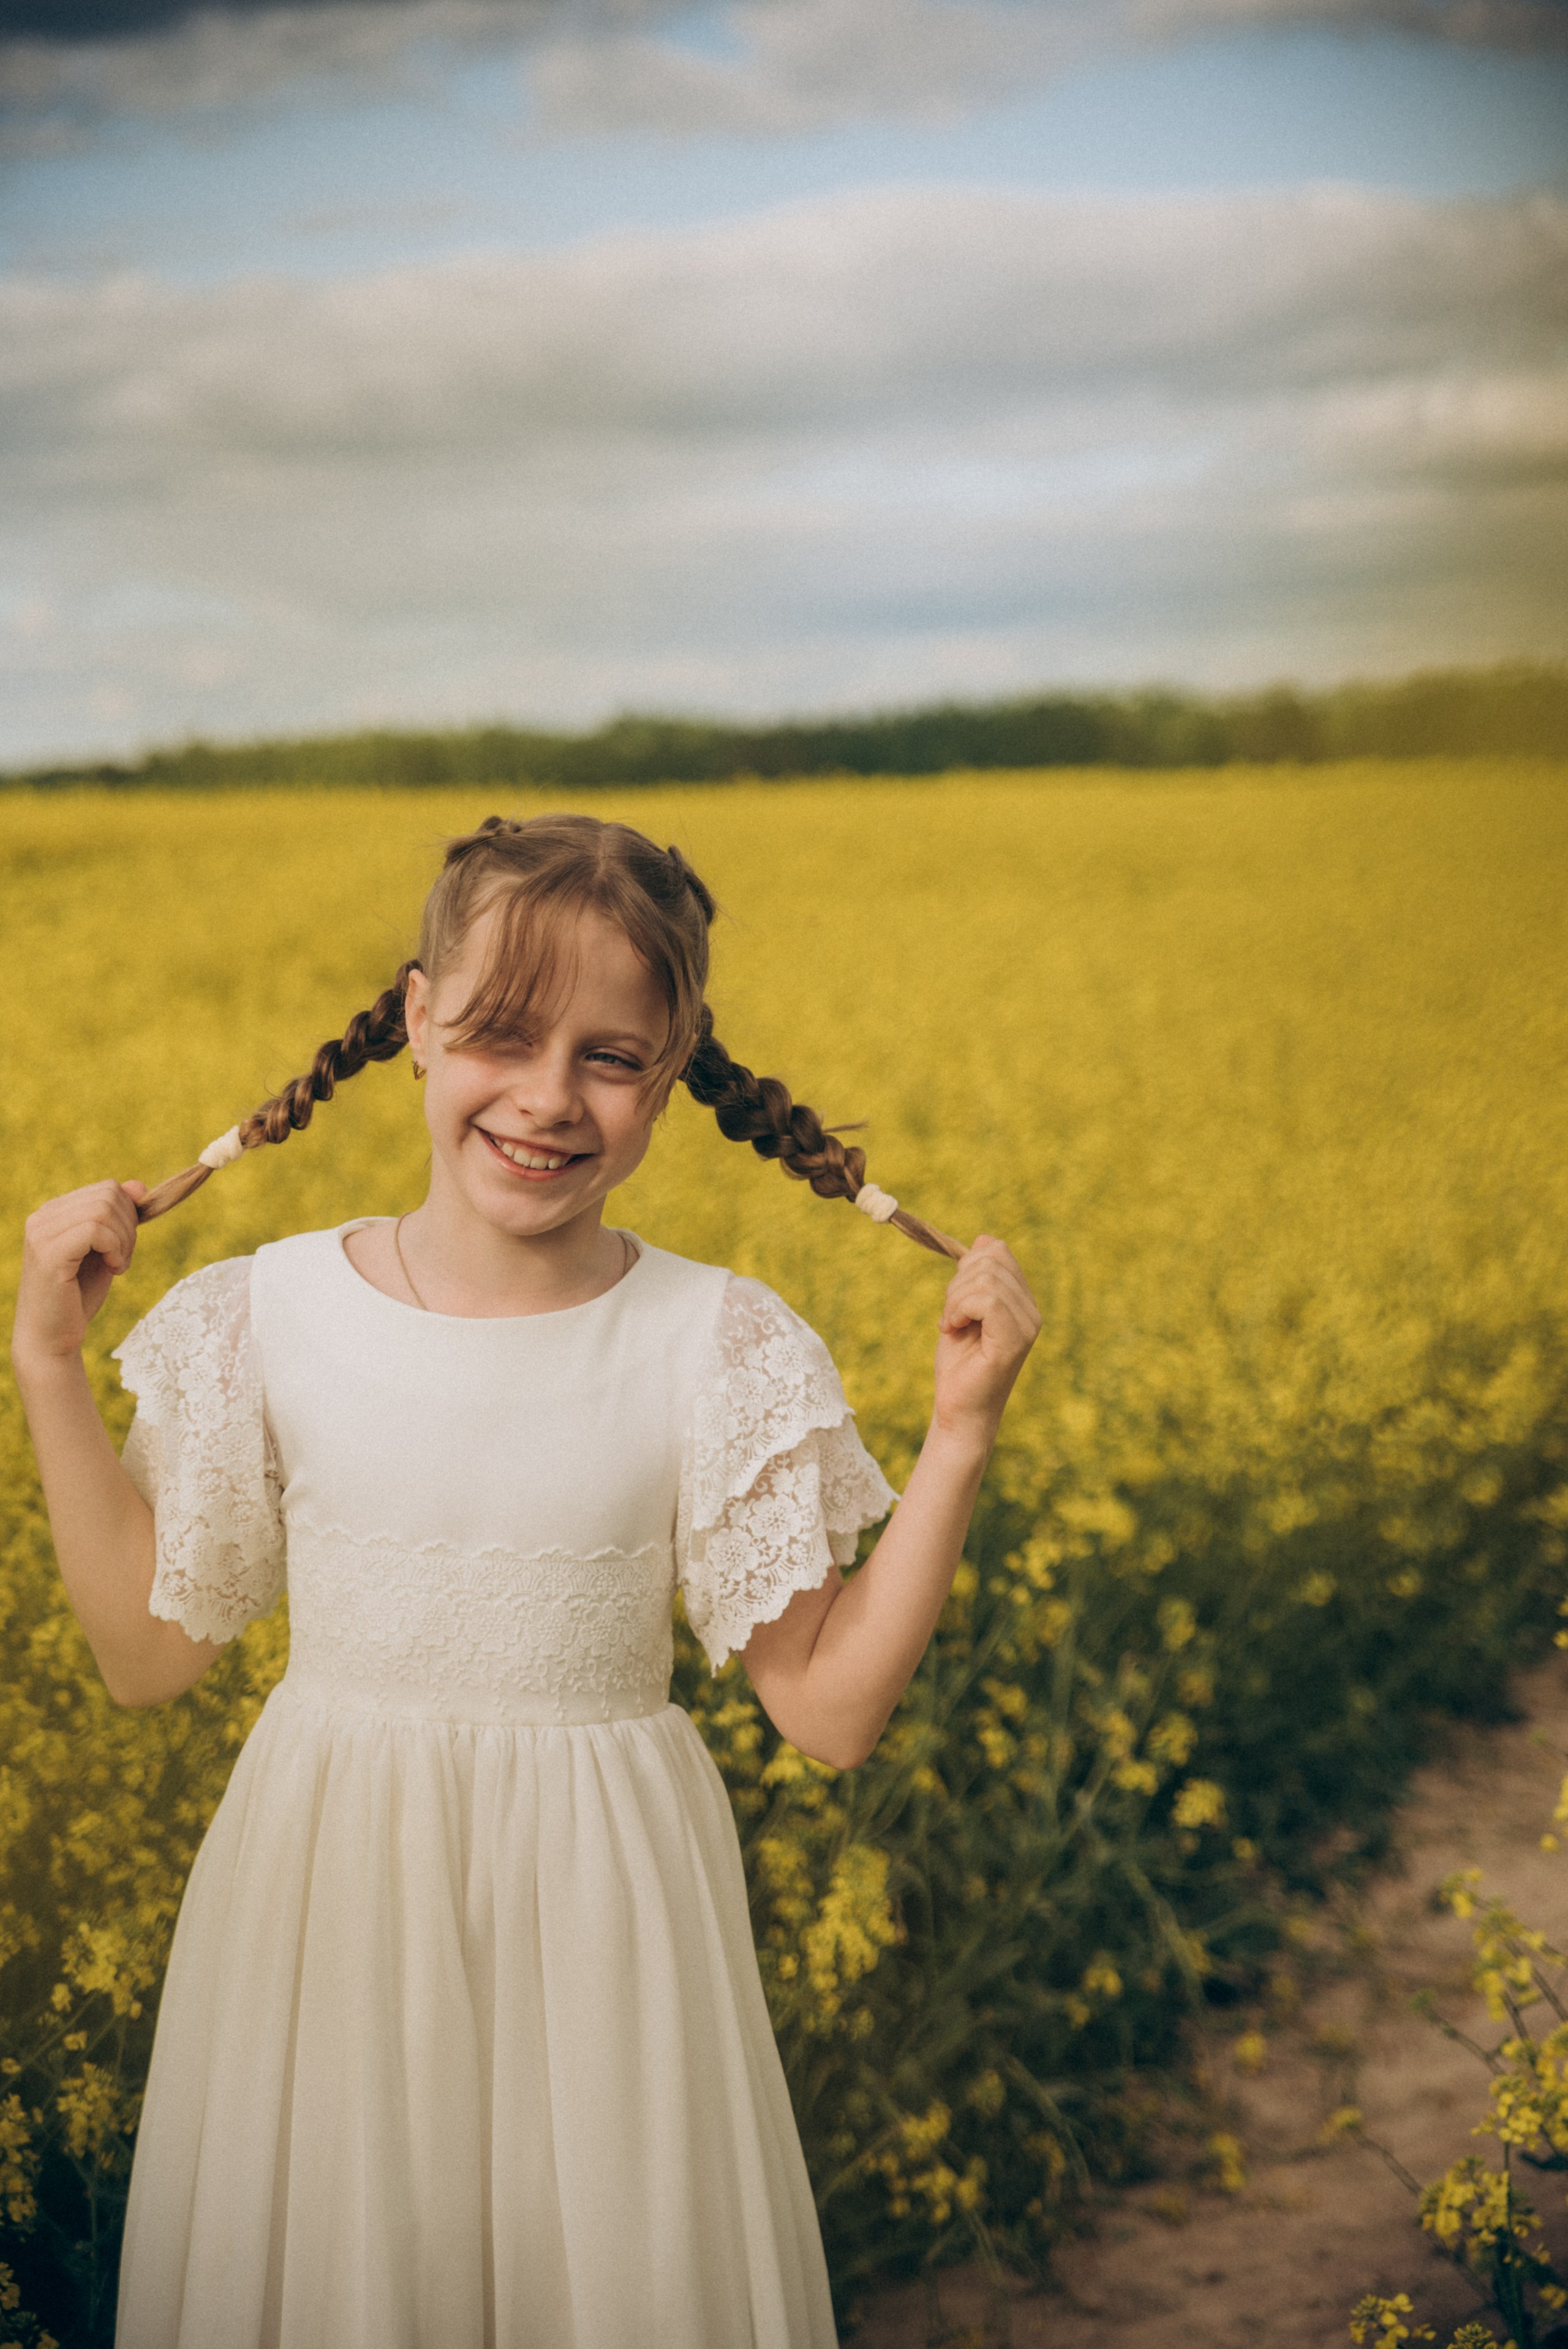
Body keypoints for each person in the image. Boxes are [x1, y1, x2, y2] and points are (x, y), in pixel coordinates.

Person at [11, 812, 1040, 2349]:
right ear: (419, 1022)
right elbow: (150, 1654)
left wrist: (956, 1437)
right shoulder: (268, 1311)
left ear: (674, 1065)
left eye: (613, 1056)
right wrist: (46, 1360)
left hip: (603, 1933)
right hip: (327, 1913)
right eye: (501, 1034)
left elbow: (826, 1714)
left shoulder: (719, 1340)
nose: (550, 1098)